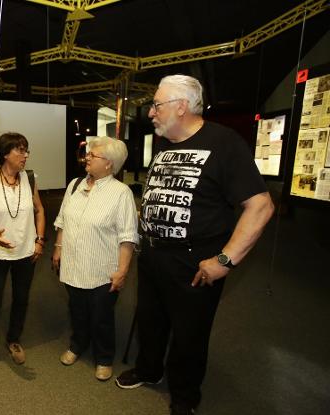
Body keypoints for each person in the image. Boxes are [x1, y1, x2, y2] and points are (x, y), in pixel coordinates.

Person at [114, 75, 275, 415]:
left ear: (181, 107)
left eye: (157, 105)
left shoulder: (224, 143)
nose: (151, 113)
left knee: (190, 334)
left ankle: (185, 397)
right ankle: (149, 369)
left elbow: (260, 206)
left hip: (194, 261)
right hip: (154, 254)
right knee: (150, 320)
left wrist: (225, 260)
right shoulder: (165, 144)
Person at [51, 136, 139, 381]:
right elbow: (62, 220)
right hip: (73, 264)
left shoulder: (121, 194)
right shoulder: (75, 185)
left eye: (93, 155)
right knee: (77, 310)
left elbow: (128, 237)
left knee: (101, 317)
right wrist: (58, 248)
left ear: (109, 163)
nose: (87, 157)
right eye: (88, 153)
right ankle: (78, 344)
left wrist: (122, 271)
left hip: (102, 269)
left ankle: (103, 357)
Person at [0, 132, 46, 377]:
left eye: (27, 150)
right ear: (5, 153)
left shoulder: (30, 178)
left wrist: (39, 241)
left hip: (26, 253)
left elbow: (40, 210)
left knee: (21, 300)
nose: (25, 155)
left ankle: (13, 340)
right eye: (20, 150)